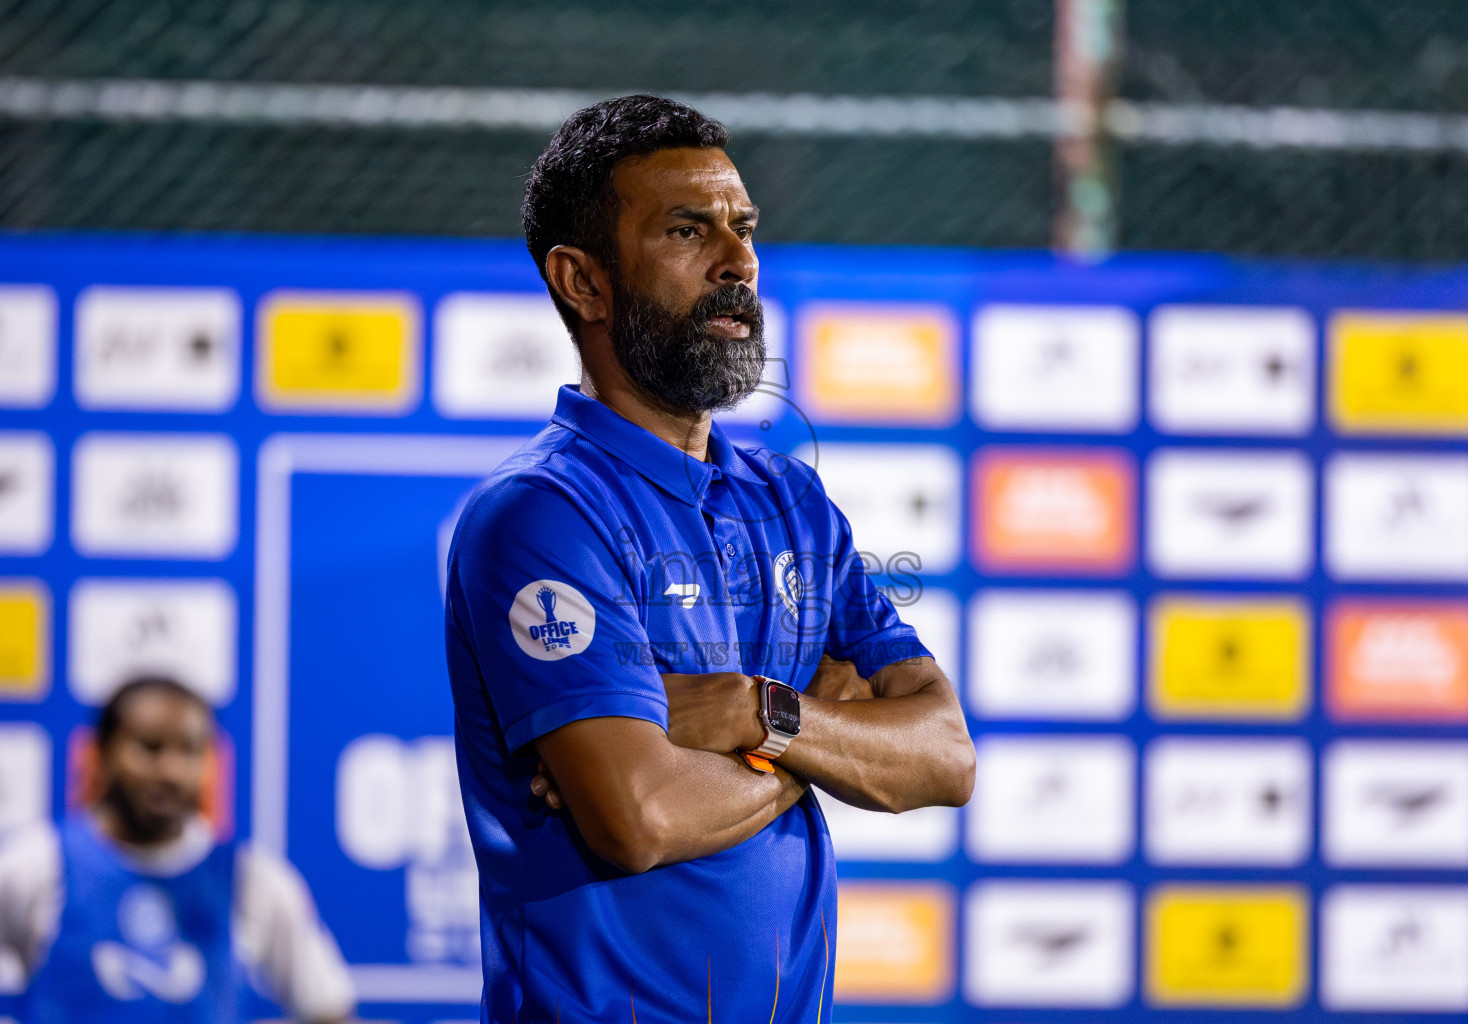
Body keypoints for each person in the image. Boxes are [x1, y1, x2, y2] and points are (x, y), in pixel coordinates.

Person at [444, 94, 975, 1022]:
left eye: (745, 228)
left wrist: (749, 712)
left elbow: (944, 756)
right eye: (690, 232)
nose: (739, 264)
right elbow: (639, 817)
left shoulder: (790, 499)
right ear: (584, 282)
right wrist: (829, 732)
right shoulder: (541, 513)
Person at [0, 676, 356, 1023]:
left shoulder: (250, 879)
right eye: (149, 748)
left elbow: (326, 1010)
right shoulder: (37, 865)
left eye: (189, 750)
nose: (170, 771)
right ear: (104, 754)